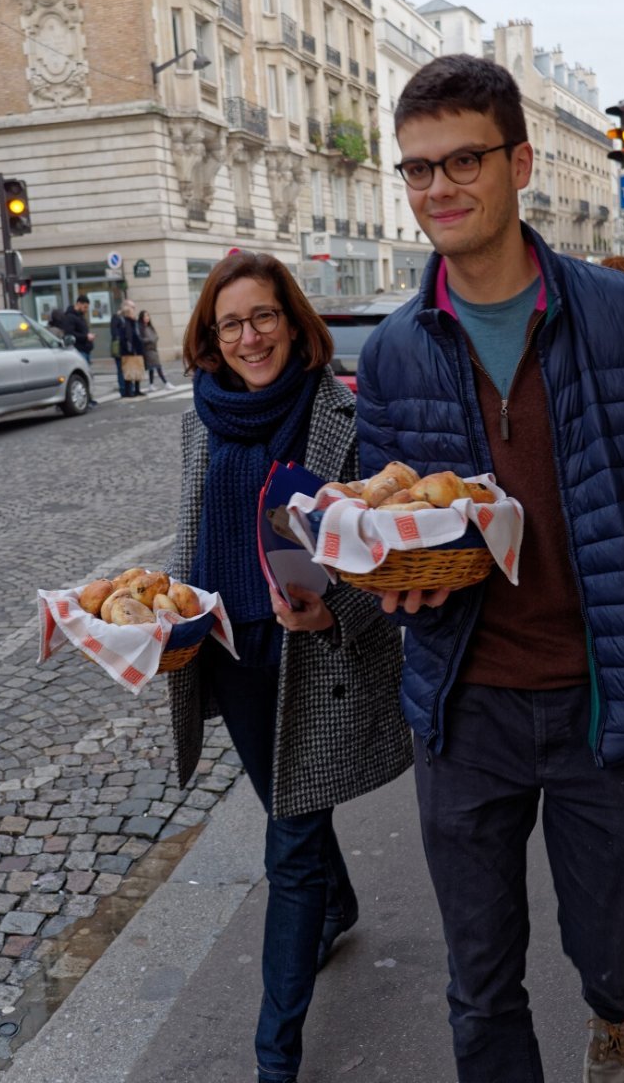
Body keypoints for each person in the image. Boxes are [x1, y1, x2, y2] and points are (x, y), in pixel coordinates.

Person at [355, 54, 624, 1083]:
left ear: (520, 163)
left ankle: (614, 1010)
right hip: (464, 706)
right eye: (418, 169)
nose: (438, 188)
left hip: (607, 694)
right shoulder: (392, 351)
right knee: (479, 981)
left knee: (621, 939)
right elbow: (381, 516)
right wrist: (398, 593)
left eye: (463, 160)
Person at [165, 250, 410, 1083]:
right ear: (211, 336)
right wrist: (168, 619)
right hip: (233, 659)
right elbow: (187, 531)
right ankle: (339, 906)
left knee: (290, 847)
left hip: (315, 659)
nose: (249, 336)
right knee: (290, 806)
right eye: (230, 323)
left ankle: (275, 1060)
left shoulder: (340, 416)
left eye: (263, 316)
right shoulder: (199, 418)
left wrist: (331, 609)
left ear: (292, 320)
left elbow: (381, 554)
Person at [63, 294, 98, 407]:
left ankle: (89, 398)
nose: (86, 310)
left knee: (87, 375)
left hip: (85, 349)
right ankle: (86, 400)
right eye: (85, 307)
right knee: (83, 376)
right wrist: (86, 337)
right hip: (79, 350)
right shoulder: (70, 317)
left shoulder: (80, 316)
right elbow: (70, 334)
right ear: (78, 304)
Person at [137, 309, 174, 391]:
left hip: (154, 350)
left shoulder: (150, 327)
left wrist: (153, 339)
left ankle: (151, 384)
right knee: (158, 367)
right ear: (141, 317)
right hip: (148, 351)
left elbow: (155, 336)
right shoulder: (140, 328)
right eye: (145, 316)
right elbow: (141, 339)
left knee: (152, 368)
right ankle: (166, 383)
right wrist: (149, 339)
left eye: (148, 316)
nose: (147, 317)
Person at [117, 298, 144, 397]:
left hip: (137, 349)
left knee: (137, 369)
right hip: (127, 350)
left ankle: (137, 390)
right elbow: (123, 336)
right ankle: (128, 391)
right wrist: (129, 348)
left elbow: (137, 334)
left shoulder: (134, 321)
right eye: (132, 307)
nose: (134, 309)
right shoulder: (122, 320)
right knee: (128, 371)